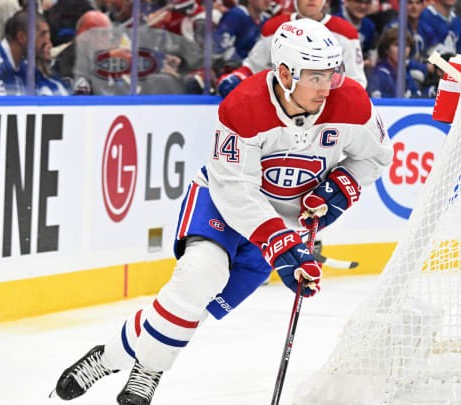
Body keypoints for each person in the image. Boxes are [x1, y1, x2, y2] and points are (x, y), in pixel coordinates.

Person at [52, 18, 392, 405]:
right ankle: (148, 374)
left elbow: (375, 159)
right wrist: (280, 245)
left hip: (281, 225)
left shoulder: (351, 102)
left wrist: (339, 188)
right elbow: (235, 189)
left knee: (197, 309)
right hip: (222, 204)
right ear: (284, 73)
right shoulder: (244, 106)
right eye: (315, 77)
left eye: (331, 74)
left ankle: (109, 356)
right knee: (198, 277)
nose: (326, 87)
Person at [216, 0, 366, 97]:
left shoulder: (345, 32)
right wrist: (237, 78)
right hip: (281, 109)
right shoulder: (274, 27)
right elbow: (254, 68)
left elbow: (356, 83)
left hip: (325, 112)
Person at [212, 0, 273, 68]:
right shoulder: (235, 15)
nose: (267, 0)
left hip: (252, 71)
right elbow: (218, 48)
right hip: (230, 71)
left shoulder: (266, 20)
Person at [367, 27, 422, 98]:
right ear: (386, 49)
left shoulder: (405, 74)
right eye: (397, 45)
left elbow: (418, 99)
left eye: (407, 45)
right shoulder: (378, 76)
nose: (402, 49)